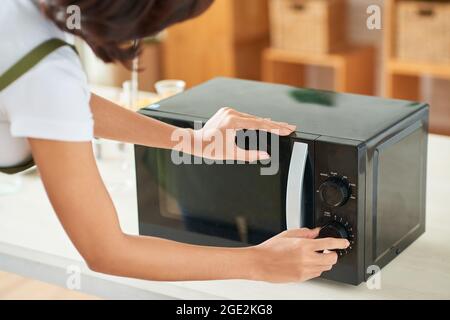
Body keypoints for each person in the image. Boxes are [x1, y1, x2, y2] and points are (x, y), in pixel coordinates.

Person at [0, 0, 349, 283]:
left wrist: (190, 139)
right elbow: (107, 252)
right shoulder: (46, 71)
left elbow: (68, 102)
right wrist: (256, 262)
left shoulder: (27, 13)